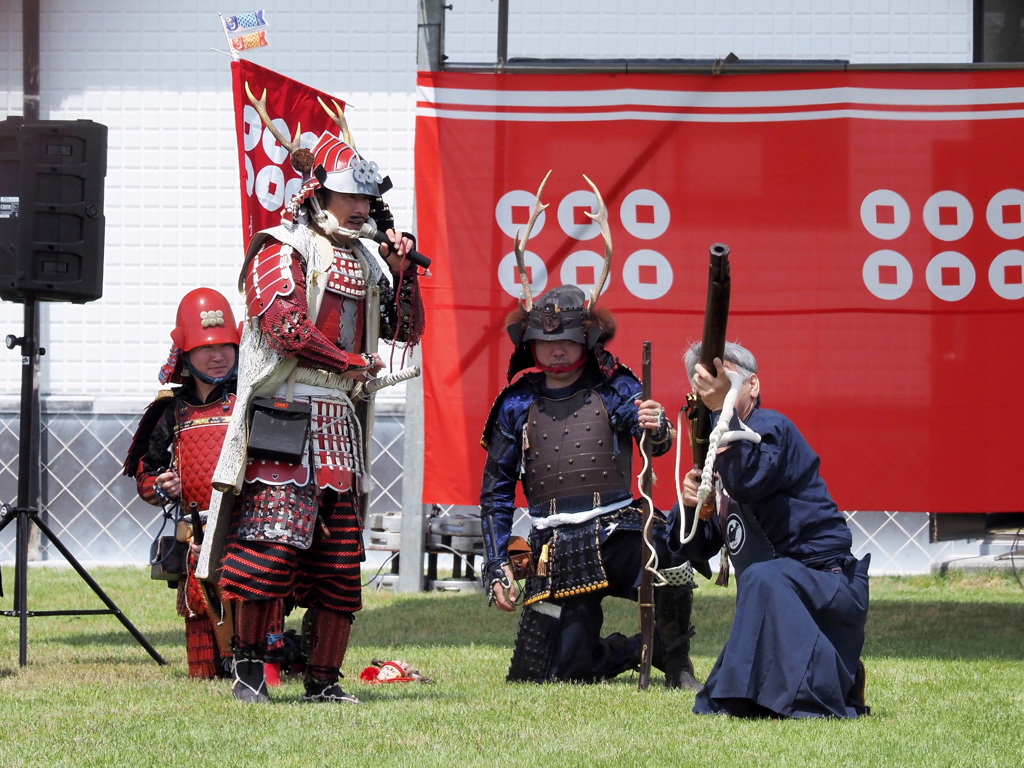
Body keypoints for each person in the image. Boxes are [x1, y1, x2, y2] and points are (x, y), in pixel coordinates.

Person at [198, 115, 425, 704]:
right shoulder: (281, 248)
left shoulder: (372, 262)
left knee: (341, 556)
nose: (361, 208)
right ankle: (250, 667)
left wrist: (404, 277)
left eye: (367, 198)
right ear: (319, 192)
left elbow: (404, 329)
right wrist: (351, 363)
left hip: (341, 425)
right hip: (284, 407)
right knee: (270, 543)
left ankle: (323, 681)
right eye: (351, 195)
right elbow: (285, 326)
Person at [479, 271, 703, 687]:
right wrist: (496, 564)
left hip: (617, 529)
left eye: (565, 340)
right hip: (556, 546)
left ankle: (676, 662)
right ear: (531, 343)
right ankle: (636, 648)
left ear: (586, 341)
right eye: (546, 342)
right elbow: (496, 492)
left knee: (668, 558)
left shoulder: (614, 385)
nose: (556, 351)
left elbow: (653, 441)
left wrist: (654, 426)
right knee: (558, 675)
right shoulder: (516, 401)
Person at [674, 340, 870, 718]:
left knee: (765, 576)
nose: (715, 389)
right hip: (774, 595)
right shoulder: (715, 450)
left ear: (753, 385)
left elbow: (747, 480)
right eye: (705, 382)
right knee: (764, 580)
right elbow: (695, 549)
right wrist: (690, 508)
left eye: (726, 378)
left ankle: (836, 677)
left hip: (824, 589)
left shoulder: (770, 428)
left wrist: (721, 410)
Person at [124, 287, 240, 679]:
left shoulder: (254, 400)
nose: (218, 355)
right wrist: (160, 485)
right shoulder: (169, 411)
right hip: (197, 533)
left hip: (251, 525)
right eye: (207, 347)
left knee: (256, 596)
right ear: (186, 353)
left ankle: (262, 668)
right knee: (198, 603)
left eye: (226, 345)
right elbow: (144, 473)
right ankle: (208, 672)